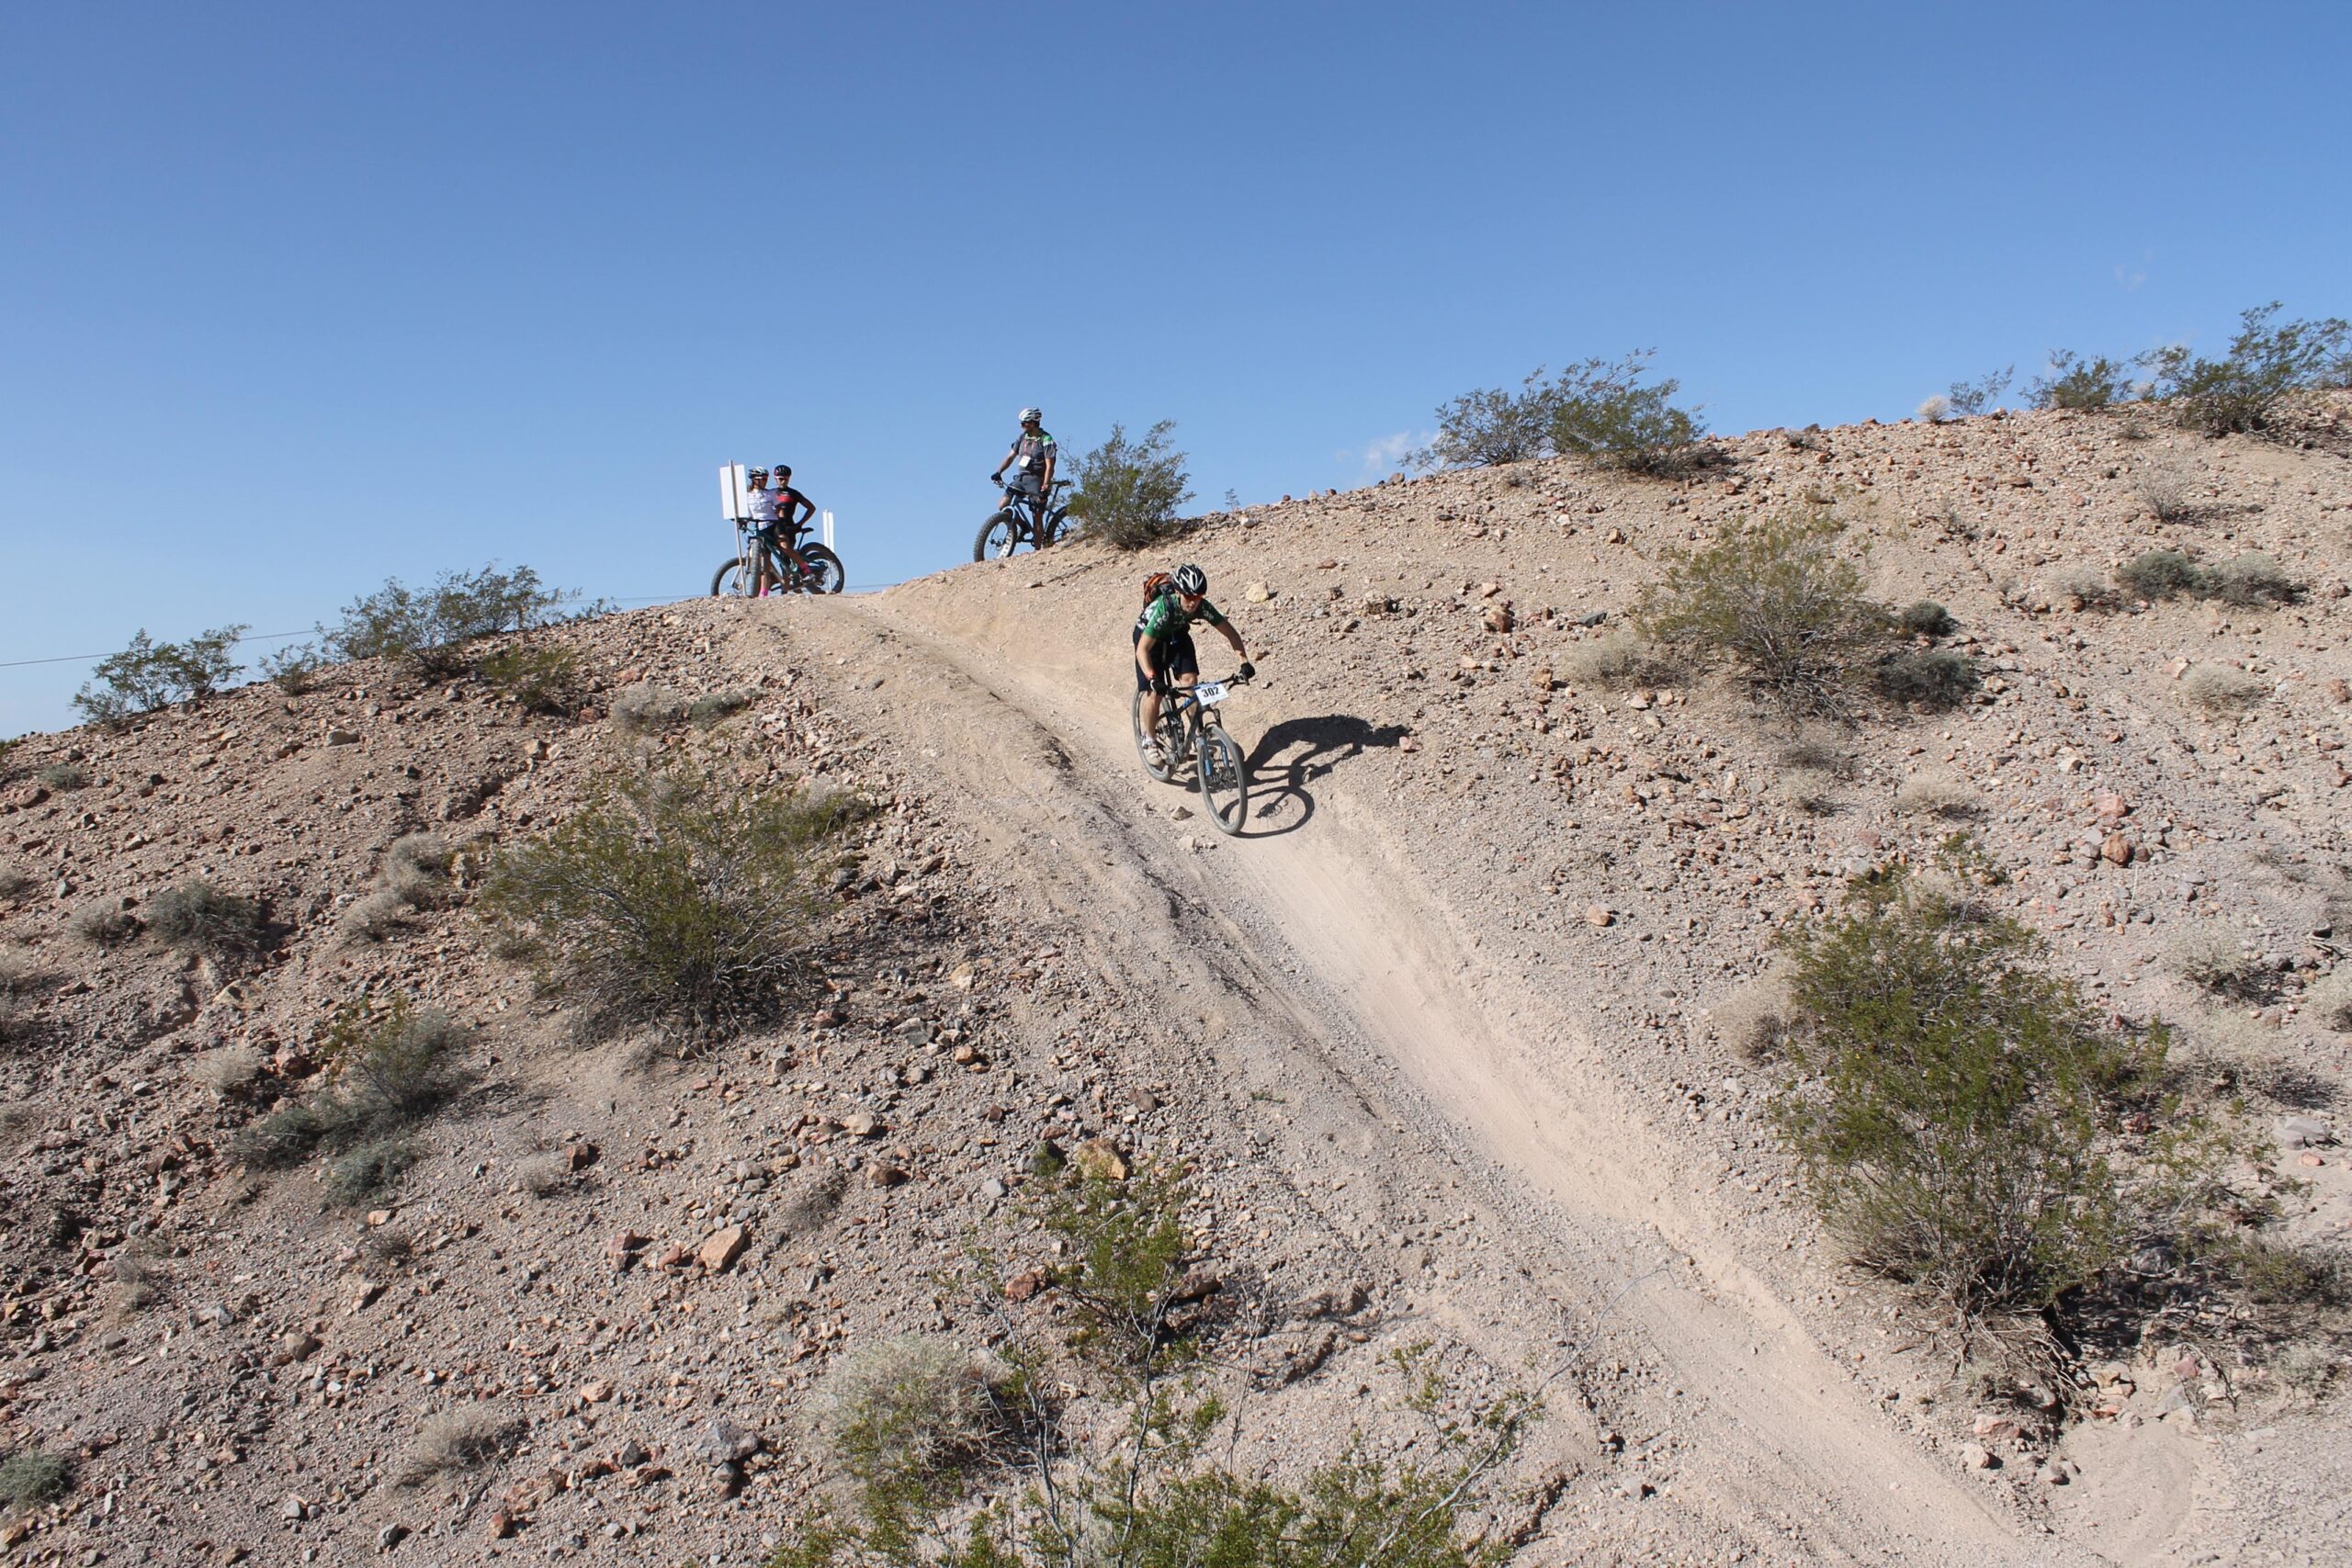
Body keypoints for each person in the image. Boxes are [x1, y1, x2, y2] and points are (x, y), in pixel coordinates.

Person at [1135, 563, 1252, 767]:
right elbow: (1142, 650)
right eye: (1189, 596)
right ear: (1178, 592)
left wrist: (1244, 662)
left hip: (1176, 634)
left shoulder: (1202, 606)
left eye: (1199, 596)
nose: (1194, 602)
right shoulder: (1164, 608)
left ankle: (1198, 736)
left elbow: (1230, 633)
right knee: (1155, 693)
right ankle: (1150, 740)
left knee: (1190, 682)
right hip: (1149, 638)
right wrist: (1152, 679)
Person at [754, 464, 820, 596]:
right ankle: (769, 589)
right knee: (769, 558)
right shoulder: (770, 493)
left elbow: (811, 507)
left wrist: (800, 523)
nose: (781, 481)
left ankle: (786, 589)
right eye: (779, 478)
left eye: (784, 478)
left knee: (785, 558)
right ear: (775, 478)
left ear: (789, 478)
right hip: (772, 527)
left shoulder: (793, 493)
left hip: (789, 528)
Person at [989, 407, 1057, 536]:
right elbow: (1010, 456)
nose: (1021, 426)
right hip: (1021, 478)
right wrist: (999, 472)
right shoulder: (1022, 438)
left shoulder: (1046, 439)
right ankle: (1023, 526)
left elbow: (1050, 465)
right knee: (1003, 505)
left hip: (1037, 480)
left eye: (1023, 423)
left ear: (1033, 422)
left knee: (1037, 516)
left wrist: (1046, 484)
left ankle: (1038, 551)